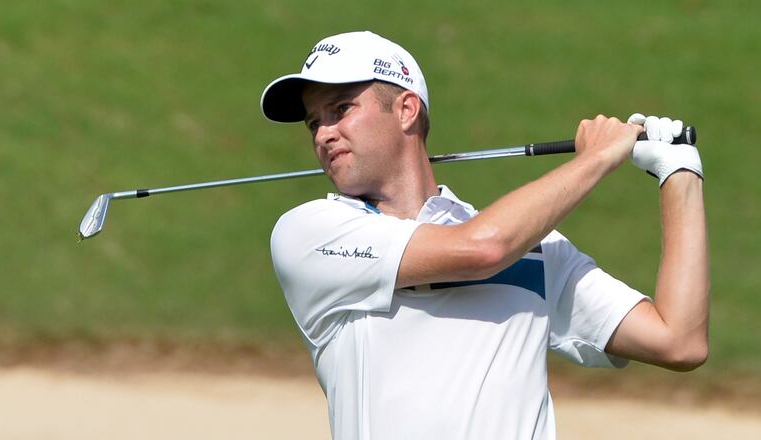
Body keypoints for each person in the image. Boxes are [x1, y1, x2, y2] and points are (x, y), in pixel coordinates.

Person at [261, 31, 709, 439]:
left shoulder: (535, 249)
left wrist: (680, 172)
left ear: (405, 110)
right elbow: (483, 248)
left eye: (341, 110)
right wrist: (596, 160)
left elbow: (679, 341)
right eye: (313, 122)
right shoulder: (309, 234)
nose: (324, 134)